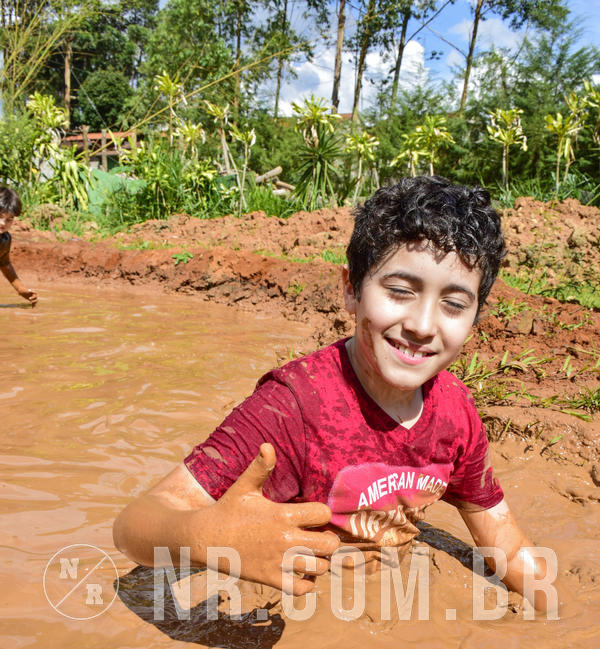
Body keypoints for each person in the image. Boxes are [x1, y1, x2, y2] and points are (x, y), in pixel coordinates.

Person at [114, 176, 557, 613]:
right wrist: (212, 539)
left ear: (475, 315)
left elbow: (506, 544)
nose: (423, 325)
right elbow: (133, 526)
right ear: (351, 290)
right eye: (400, 291)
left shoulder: (455, 414)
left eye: (454, 304)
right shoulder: (292, 407)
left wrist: (562, 618)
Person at [0, 186, 38, 306]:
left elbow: (4, 263)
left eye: (9, 219)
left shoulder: (4, 240)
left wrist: (20, 289)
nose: (3, 223)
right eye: (0, 216)